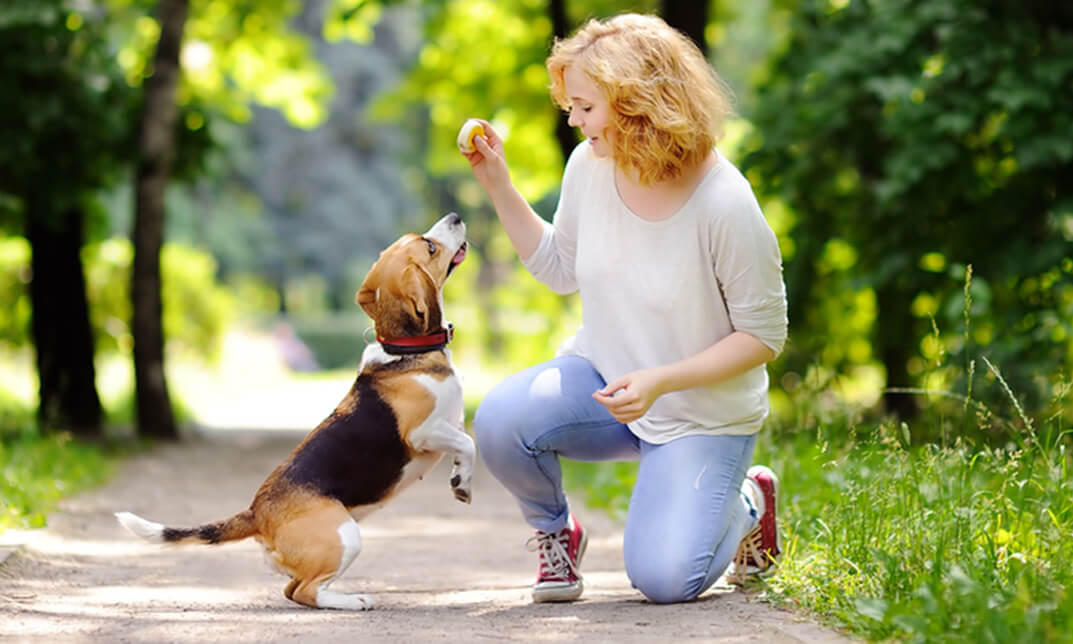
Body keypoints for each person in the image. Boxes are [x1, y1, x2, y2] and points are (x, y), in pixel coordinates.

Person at [460, 12, 788, 604]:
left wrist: (662, 381)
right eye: (569, 105)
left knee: (664, 581)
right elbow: (560, 268)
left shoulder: (726, 203)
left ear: (638, 103)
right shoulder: (590, 165)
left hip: (700, 413)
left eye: (584, 106)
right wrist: (498, 185)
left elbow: (764, 336)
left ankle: (748, 502)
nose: (572, 119)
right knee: (501, 422)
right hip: (606, 384)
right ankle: (556, 535)